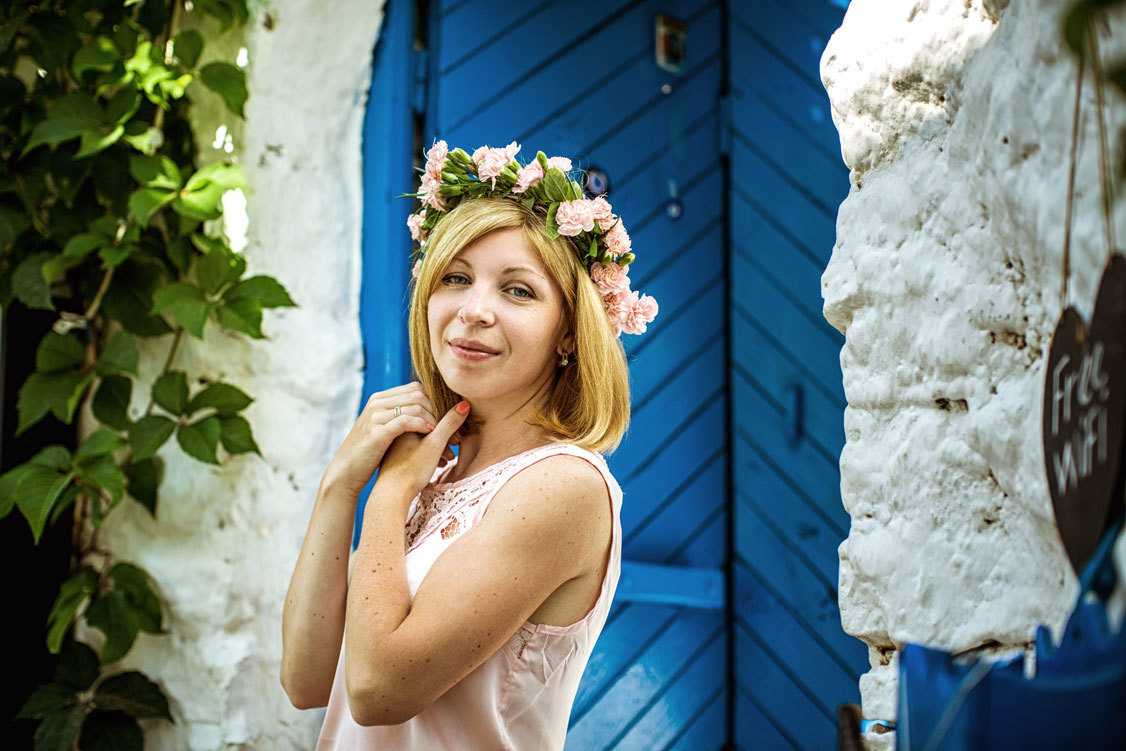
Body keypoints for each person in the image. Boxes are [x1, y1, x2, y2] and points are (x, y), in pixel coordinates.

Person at [281, 141, 658, 749]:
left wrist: (387, 494)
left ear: (568, 333)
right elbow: (305, 681)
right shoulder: (431, 471)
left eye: (518, 291)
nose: (474, 310)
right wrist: (339, 487)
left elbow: (377, 691)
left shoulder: (563, 485)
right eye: (456, 278)